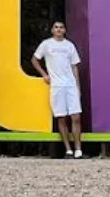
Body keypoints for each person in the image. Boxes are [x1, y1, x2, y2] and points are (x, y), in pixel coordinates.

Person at [32, 20, 84, 159]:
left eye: (61, 27)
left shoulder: (69, 46)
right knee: (61, 117)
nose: (59, 29)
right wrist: (44, 74)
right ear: (52, 30)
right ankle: (68, 150)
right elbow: (35, 59)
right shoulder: (46, 44)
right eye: (56, 27)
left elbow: (74, 66)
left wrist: (78, 87)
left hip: (70, 84)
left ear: (65, 30)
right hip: (56, 85)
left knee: (76, 116)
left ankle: (78, 149)